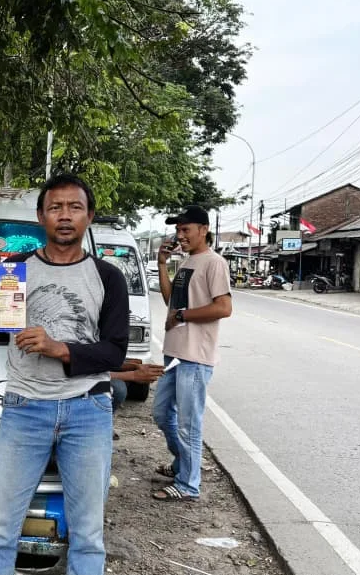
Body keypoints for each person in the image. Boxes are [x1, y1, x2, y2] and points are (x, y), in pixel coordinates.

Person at [0, 173, 129, 575]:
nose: (65, 216)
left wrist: (59, 348)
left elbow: (115, 351)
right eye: (55, 208)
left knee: (88, 536)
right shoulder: (15, 271)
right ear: (41, 216)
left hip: (87, 410)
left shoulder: (108, 277)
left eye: (75, 207)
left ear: (89, 216)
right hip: (25, 408)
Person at [152, 205, 233, 502]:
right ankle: (181, 465)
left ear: (203, 230)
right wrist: (162, 264)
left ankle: (188, 484)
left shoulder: (214, 263)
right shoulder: (187, 262)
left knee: (189, 424)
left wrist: (182, 315)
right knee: (162, 413)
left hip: (195, 357)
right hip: (174, 352)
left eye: (185, 229)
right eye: (178, 230)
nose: (180, 235)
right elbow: (171, 301)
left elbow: (224, 307)